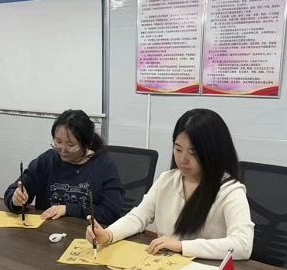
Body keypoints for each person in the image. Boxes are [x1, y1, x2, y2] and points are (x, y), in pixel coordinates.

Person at [86, 108, 254, 259]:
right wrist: (108, 235)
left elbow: (243, 245)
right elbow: (139, 216)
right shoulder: (167, 180)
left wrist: (182, 246)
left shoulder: (229, 190)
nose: (182, 159)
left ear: (213, 152)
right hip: (164, 266)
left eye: (193, 153)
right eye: (178, 149)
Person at [4, 109, 124, 223]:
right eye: (58, 142)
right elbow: (14, 190)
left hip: (84, 233)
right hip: (46, 231)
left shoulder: (104, 166)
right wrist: (15, 199)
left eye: (70, 145)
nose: (62, 149)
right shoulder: (48, 160)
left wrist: (68, 209)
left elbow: (111, 213)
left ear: (87, 143)